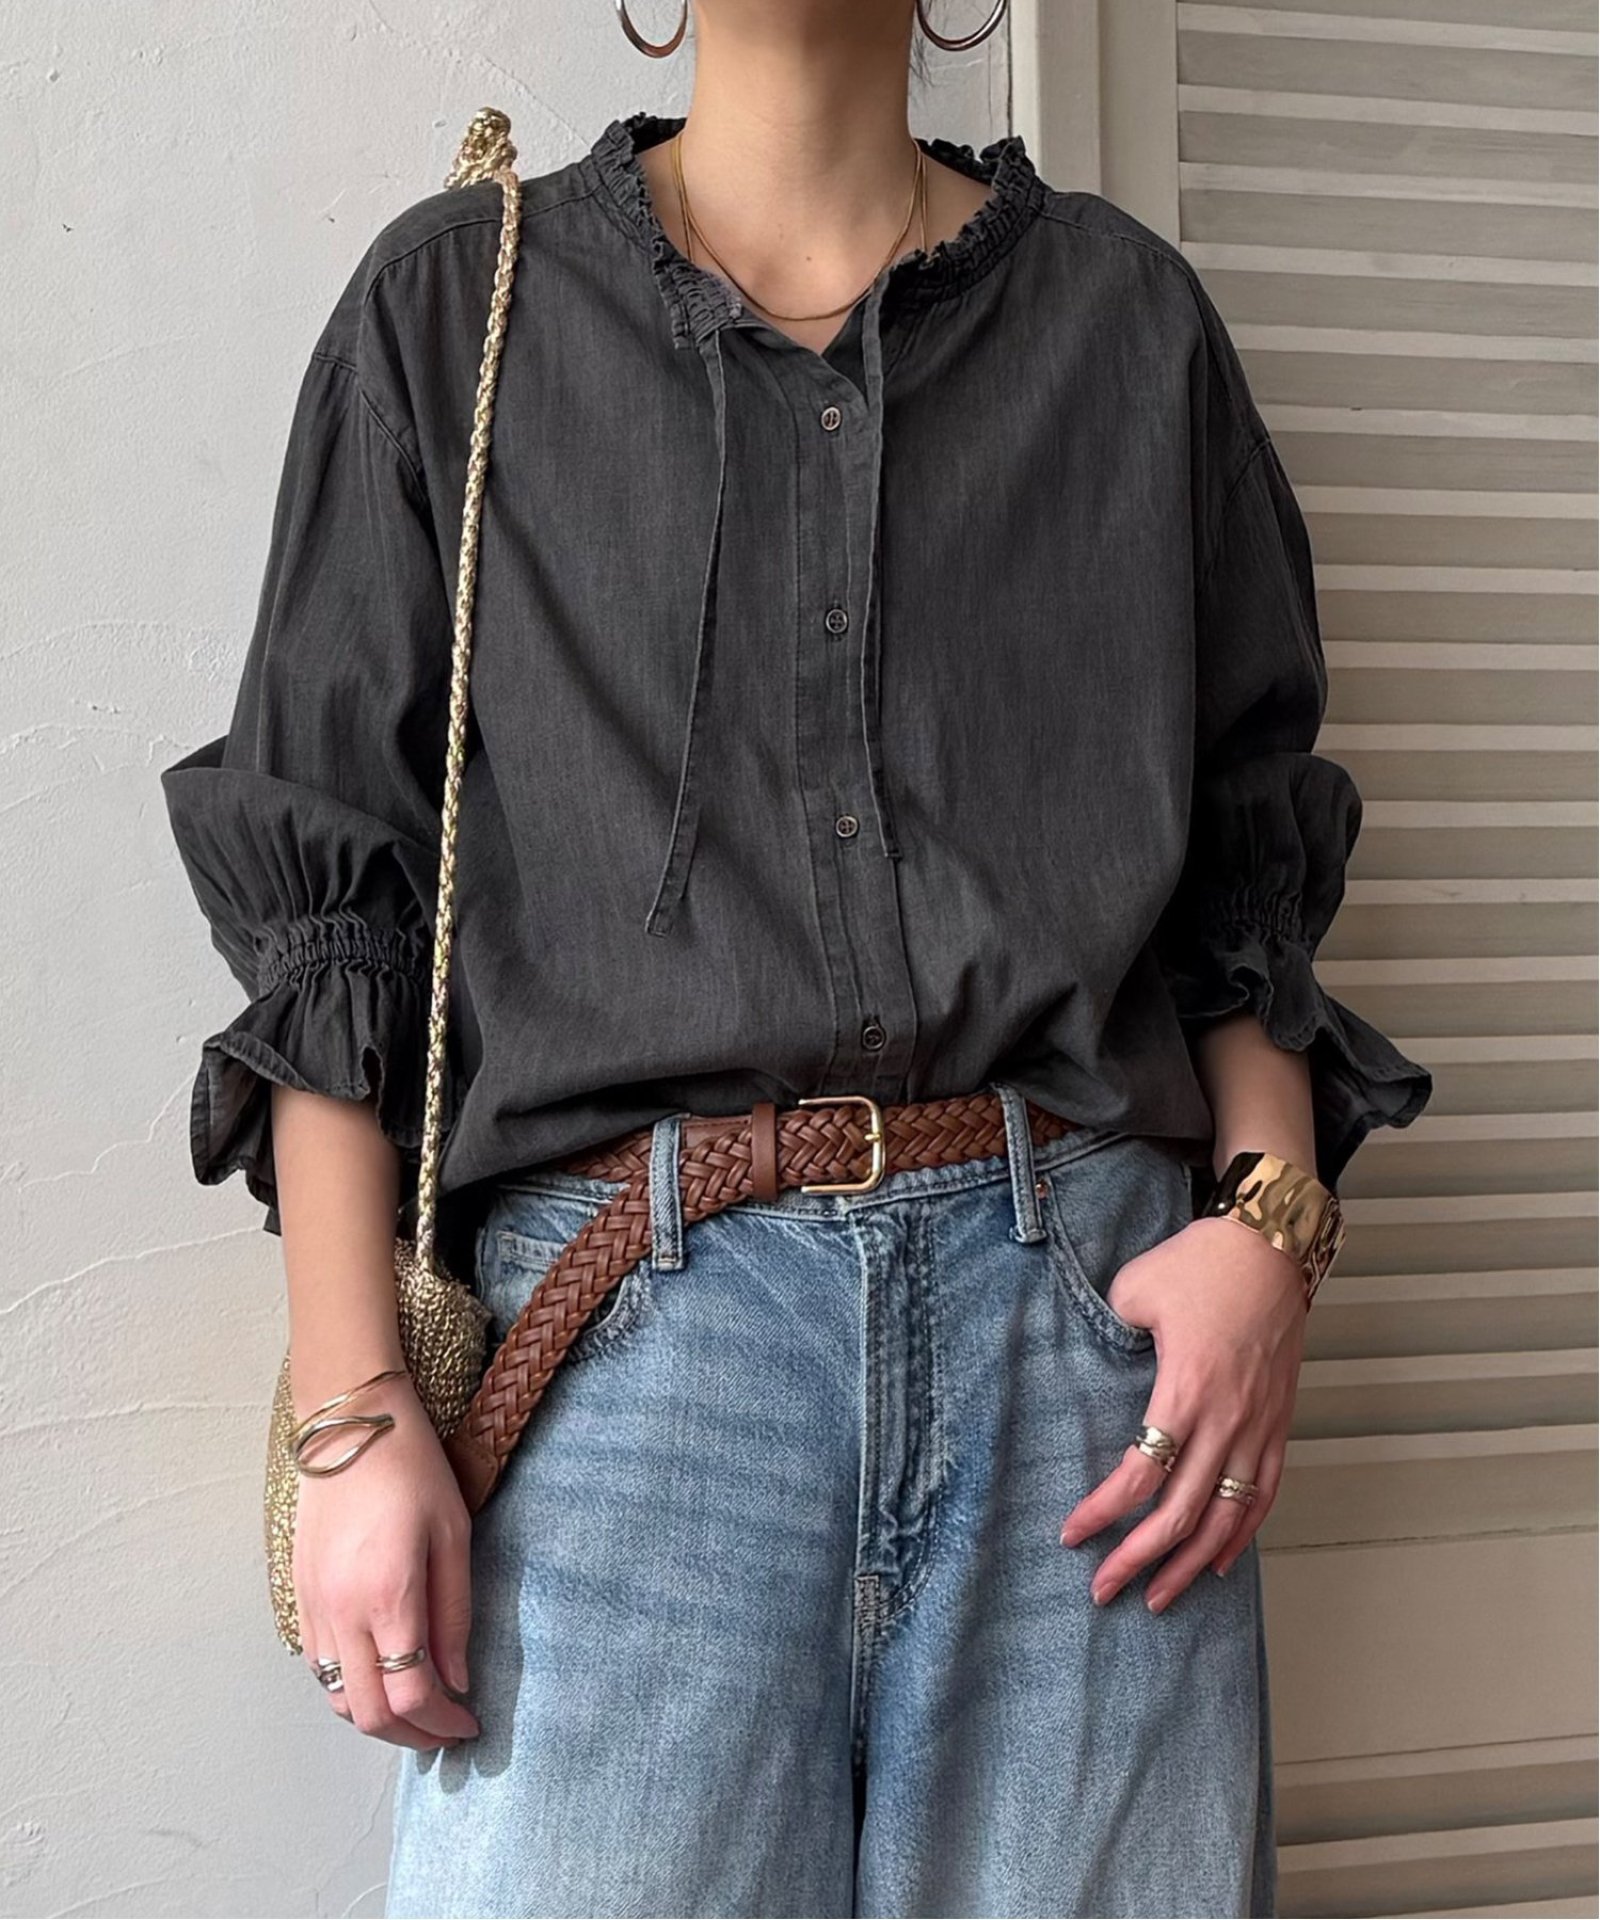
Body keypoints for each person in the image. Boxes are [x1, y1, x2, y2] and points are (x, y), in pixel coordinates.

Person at [160, 2, 1434, 1914]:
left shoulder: (1128, 328)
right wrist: (353, 1413)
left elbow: (1244, 853)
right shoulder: (456, 309)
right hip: (628, 1362)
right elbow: (335, 887)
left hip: (1084, 1364)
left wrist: (1273, 1235)